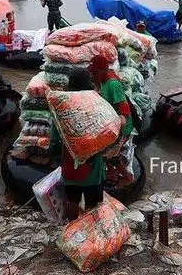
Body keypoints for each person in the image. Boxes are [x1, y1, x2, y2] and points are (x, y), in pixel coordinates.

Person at [49, 68, 105, 221]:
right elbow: (106, 133)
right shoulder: (96, 105)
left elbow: (54, 139)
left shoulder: (61, 108)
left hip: (69, 163)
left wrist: (54, 156)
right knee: (93, 206)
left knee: (72, 201)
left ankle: (72, 228)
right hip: (93, 166)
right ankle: (91, 233)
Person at [88, 55, 135, 185]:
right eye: (92, 72)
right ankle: (111, 174)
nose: (93, 74)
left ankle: (127, 177)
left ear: (104, 70)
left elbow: (123, 103)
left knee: (109, 154)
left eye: (95, 72)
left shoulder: (113, 84)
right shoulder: (101, 82)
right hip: (110, 123)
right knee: (104, 151)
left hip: (122, 126)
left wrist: (123, 117)